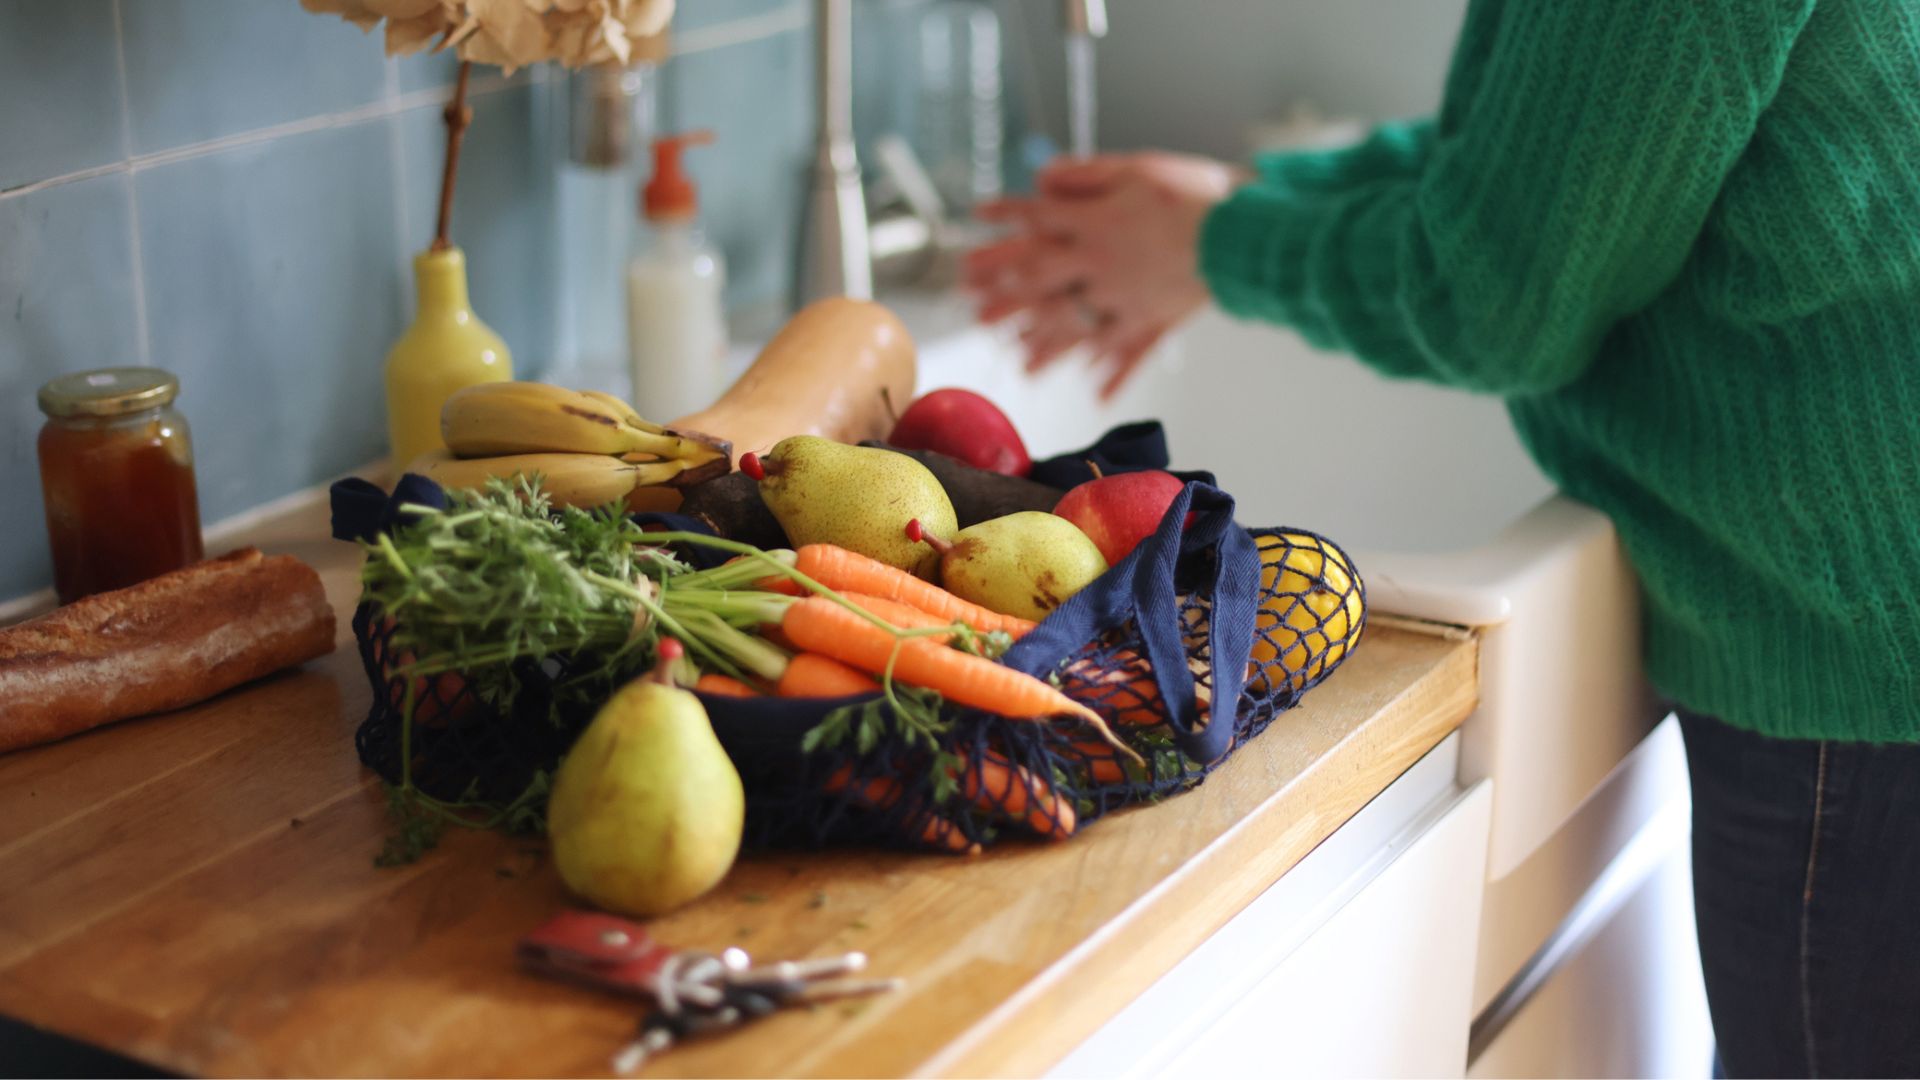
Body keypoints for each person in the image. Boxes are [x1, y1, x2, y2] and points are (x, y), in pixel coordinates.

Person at [964, 2, 1920, 1077]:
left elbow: (1498, 297)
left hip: (1864, 648)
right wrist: (1238, 213)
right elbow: (1555, 157)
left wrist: (1221, 240)